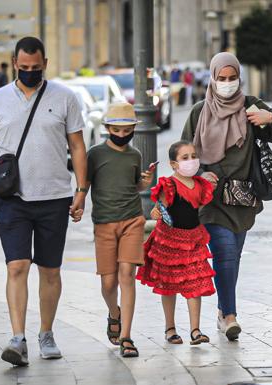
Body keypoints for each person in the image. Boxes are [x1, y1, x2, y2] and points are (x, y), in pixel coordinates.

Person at [0, 37, 87, 366]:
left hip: (55, 197)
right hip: (13, 199)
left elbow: (78, 146)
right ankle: (17, 337)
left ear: (45, 64)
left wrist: (82, 190)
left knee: (50, 271)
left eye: (35, 68)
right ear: (14, 63)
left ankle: (46, 333)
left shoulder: (65, 97)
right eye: (23, 68)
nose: (29, 73)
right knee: (17, 266)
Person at [181, 52, 272, 341]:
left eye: (232, 79)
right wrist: (198, 172)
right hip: (210, 200)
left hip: (242, 199)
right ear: (212, 79)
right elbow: (183, 155)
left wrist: (270, 118)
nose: (227, 83)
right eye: (221, 79)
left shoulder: (250, 106)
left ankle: (221, 311)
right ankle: (229, 315)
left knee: (233, 257)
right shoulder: (199, 112)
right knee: (225, 253)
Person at [85, 102, 154, 358]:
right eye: (117, 130)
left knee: (127, 274)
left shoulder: (135, 155)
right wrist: (78, 202)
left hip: (132, 220)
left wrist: (143, 183)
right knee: (108, 282)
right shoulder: (95, 154)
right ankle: (114, 313)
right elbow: (86, 183)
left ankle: (126, 336)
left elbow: (133, 186)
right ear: (107, 129)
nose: (122, 135)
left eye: (127, 131)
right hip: (104, 222)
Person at [137, 140, 215, 346]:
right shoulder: (169, 184)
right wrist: (155, 211)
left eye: (193, 156)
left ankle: (195, 330)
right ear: (173, 164)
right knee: (168, 285)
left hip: (194, 239)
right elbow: (160, 208)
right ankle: (170, 328)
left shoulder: (199, 185)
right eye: (185, 158)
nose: (191, 161)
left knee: (195, 283)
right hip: (170, 241)